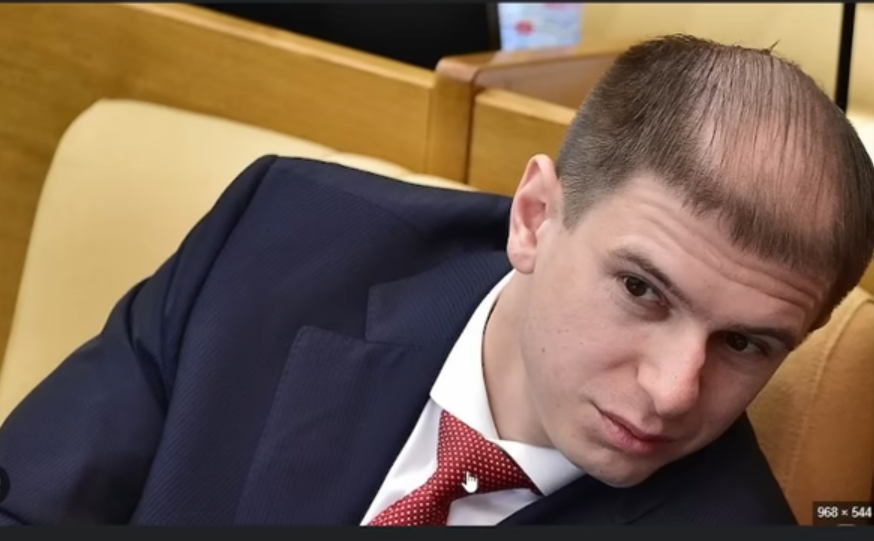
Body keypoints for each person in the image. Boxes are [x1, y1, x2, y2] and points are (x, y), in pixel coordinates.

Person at [0, 34, 872, 526]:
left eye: (745, 343)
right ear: (534, 217)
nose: (674, 391)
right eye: (643, 290)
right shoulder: (281, 235)